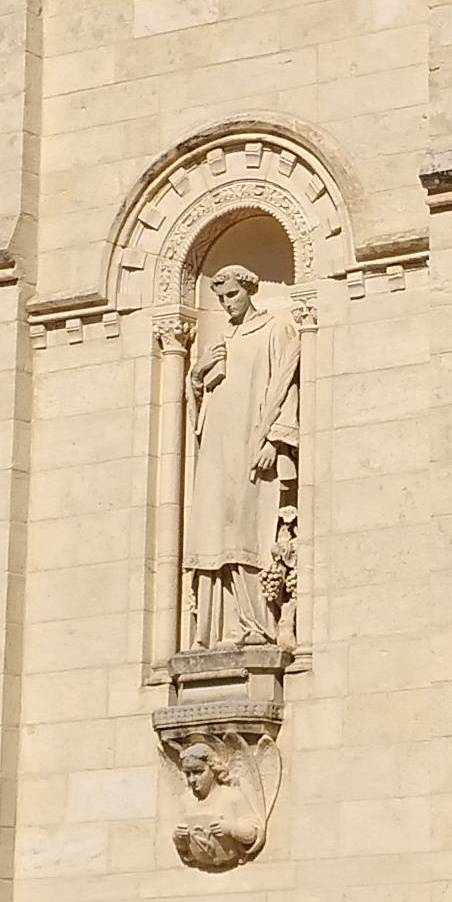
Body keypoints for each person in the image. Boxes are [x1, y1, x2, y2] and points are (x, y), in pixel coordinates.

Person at [180, 264, 299, 648]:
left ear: (249, 290)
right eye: (220, 298)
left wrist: (274, 442)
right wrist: (197, 375)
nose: (227, 303)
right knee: (215, 529)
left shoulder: (275, 329)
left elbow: (287, 386)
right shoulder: (221, 339)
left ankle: (258, 626)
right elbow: (201, 407)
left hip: (252, 446)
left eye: (232, 294)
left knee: (249, 529)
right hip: (217, 448)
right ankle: (219, 630)